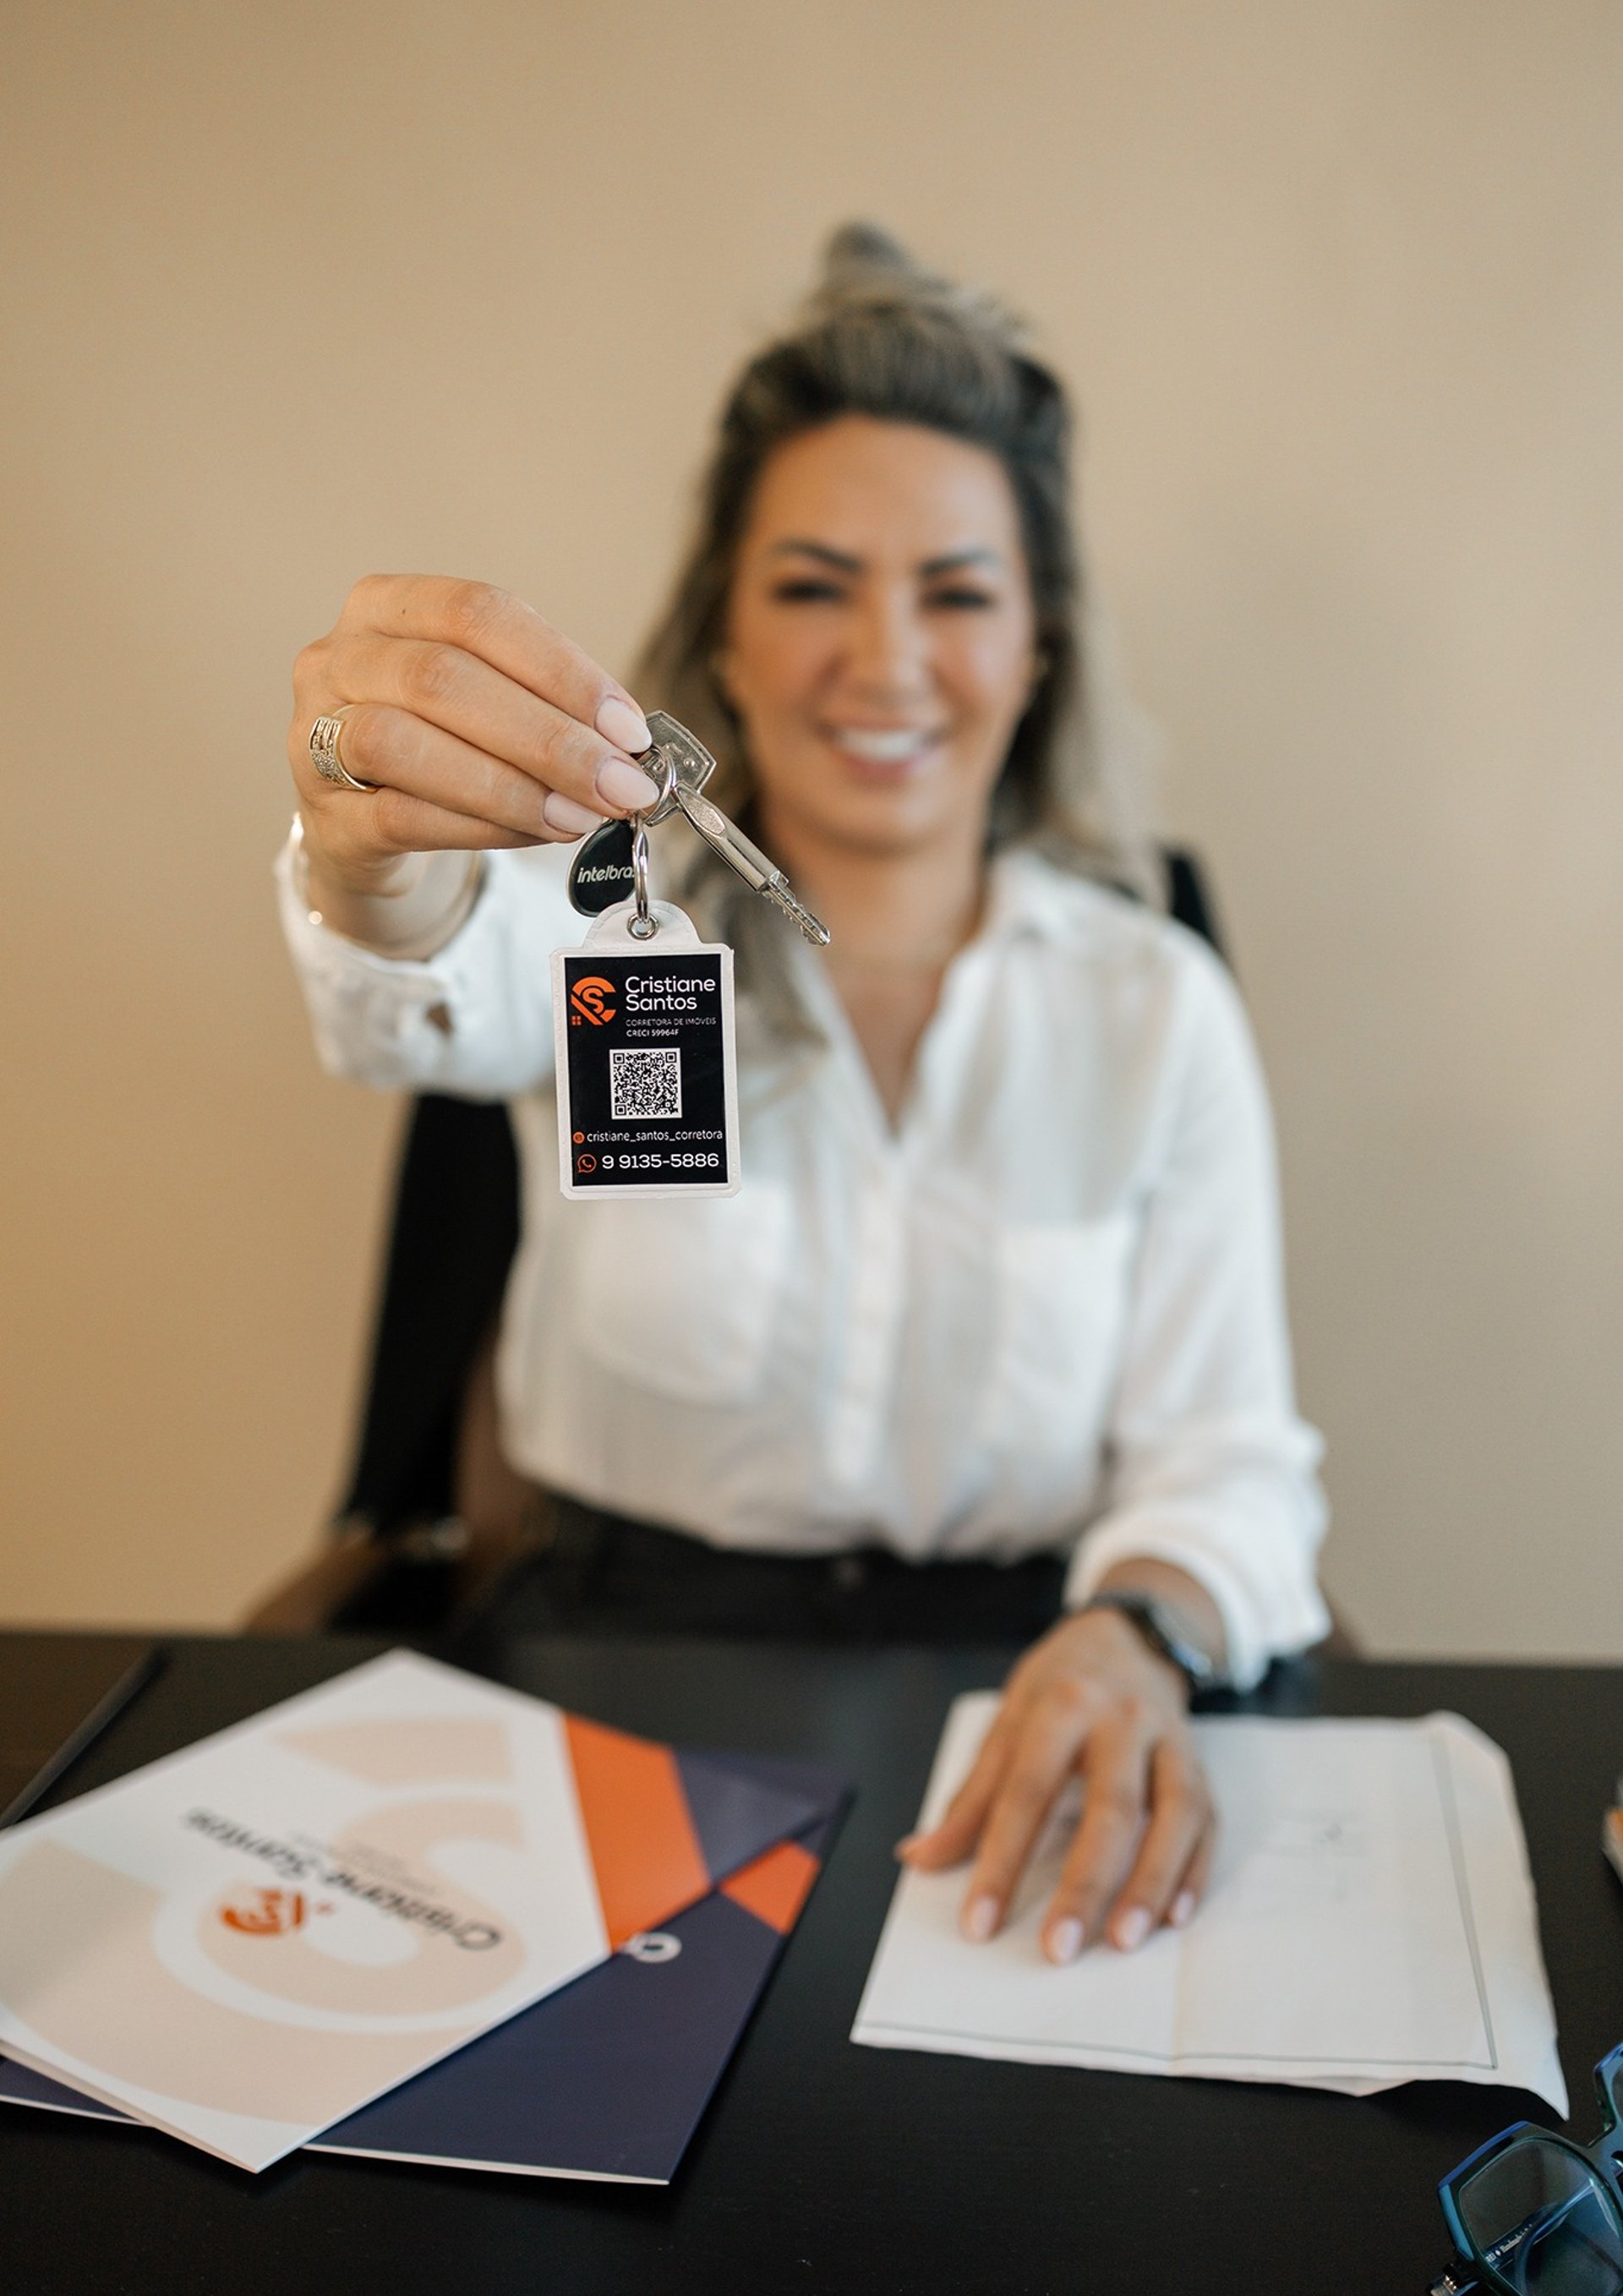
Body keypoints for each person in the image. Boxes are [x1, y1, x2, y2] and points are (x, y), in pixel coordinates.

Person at [276, 227, 1328, 1966]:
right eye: (815, 584)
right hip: (601, 1703)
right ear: (728, 643)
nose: (887, 656)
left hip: (1020, 1718)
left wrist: (1139, 1628)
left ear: (1039, 646)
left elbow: (1230, 1459)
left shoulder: (1157, 1005)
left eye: (961, 591)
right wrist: (358, 844)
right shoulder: (588, 930)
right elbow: (409, 992)